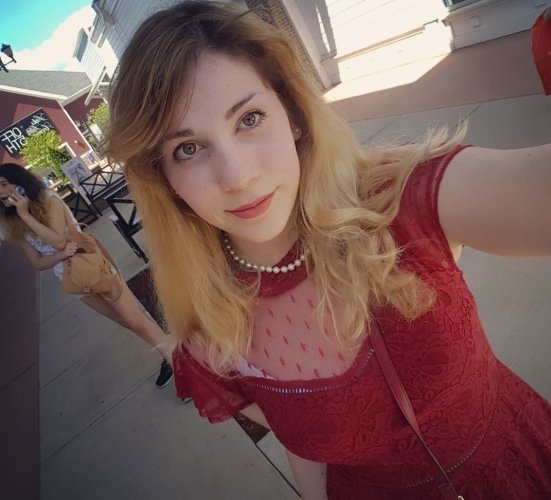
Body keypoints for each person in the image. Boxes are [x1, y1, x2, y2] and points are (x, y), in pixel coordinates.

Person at [106, 2, 551, 499]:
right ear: (165, 181)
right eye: (187, 149)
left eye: (250, 118)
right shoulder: (213, 334)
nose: (237, 176)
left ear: (293, 115)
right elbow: (306, 448)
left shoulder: (398, 204)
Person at [0, 163, 174, 388]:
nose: (1, 192)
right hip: (72, 279)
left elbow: (58, 240)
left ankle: (180, 365)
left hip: (92, 263)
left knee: (135, 320)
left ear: (20, 183)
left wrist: (26, 214)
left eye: (4, 184)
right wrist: (59, 255)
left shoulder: (48, 200)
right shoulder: (13, 223)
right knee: (125, 322)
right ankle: (169, 352)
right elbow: (37, 262)